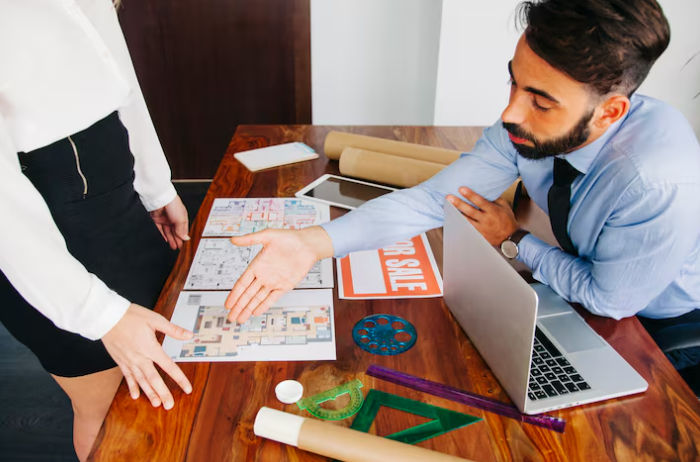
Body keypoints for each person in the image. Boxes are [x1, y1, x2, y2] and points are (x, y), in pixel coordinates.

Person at [224, 0, 700, 370]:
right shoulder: (523, 125)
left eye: (540, 101)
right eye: (514, 83)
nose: (511, 112)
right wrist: (311, 244)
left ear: (611, 111)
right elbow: (433, 200)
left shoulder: (655, 183)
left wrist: (513, 239)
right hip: (576, 279)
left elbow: (609, 299)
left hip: (657, 325)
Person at [1, 1, 194, 460]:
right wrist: (98, 314)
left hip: (117, 197)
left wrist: (154, 186)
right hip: (44, 228)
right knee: (110, 405)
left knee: (165, 380)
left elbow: (116, 68)